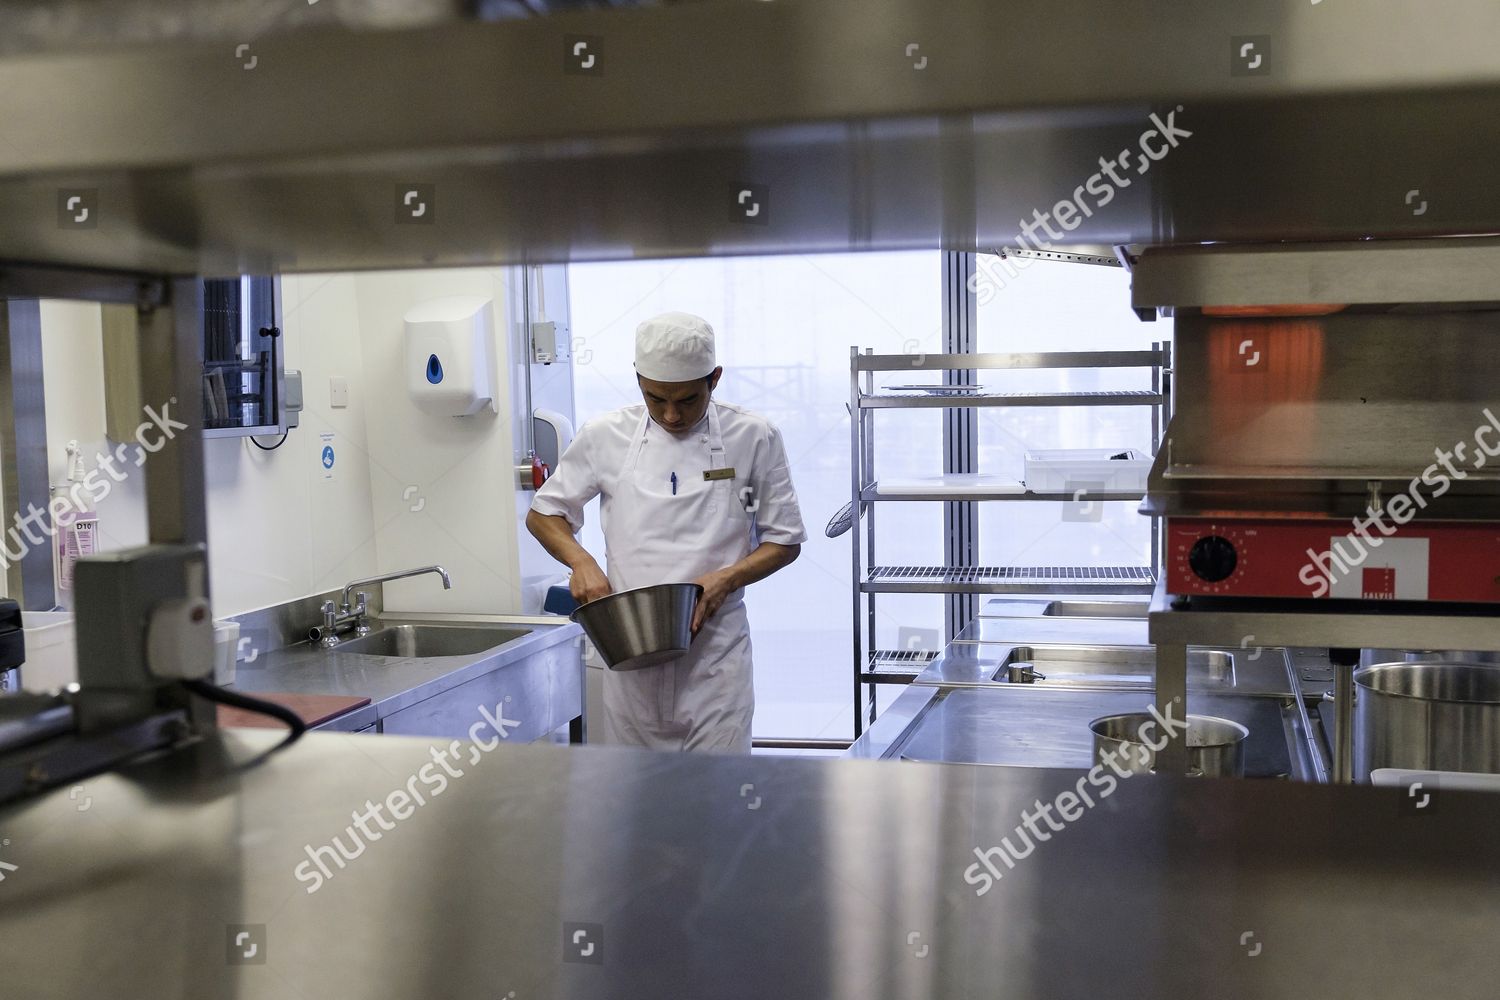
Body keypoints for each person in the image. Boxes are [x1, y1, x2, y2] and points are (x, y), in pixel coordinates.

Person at [526, 312, 805, 752]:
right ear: (638, 380)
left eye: (688, 400)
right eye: (655, 399)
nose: (671, 415)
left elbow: (784, 540)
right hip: (630, 656)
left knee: (717, 800)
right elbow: (544, 514)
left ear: (715, 379)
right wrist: (581, 561)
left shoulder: (753, 437)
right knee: (639, 801)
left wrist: (727, 579)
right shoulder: (605, 436)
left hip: (715, 661)